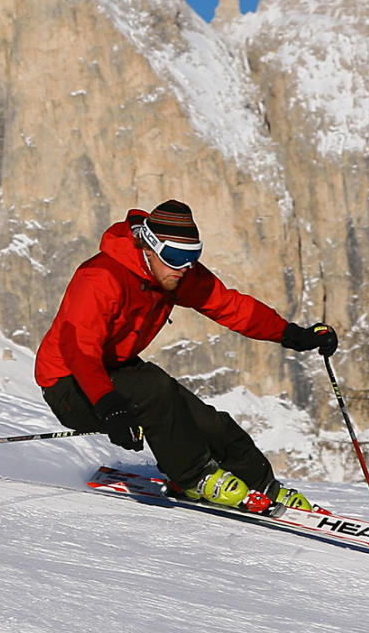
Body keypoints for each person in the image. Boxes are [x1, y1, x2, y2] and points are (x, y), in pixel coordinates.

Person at [34, 199, 338, 514]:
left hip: (116, 368)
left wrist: (293, 334)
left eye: (193, 257)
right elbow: (80, 351)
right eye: (176, 257)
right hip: (70, 383)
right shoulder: (100, 278)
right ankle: (193, 477)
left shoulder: (174, 274)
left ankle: (263, 485)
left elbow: (229, 306)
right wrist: (109, 406)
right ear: (149, 249)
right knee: (156, 389)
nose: (184, 268)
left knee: (208, 422)